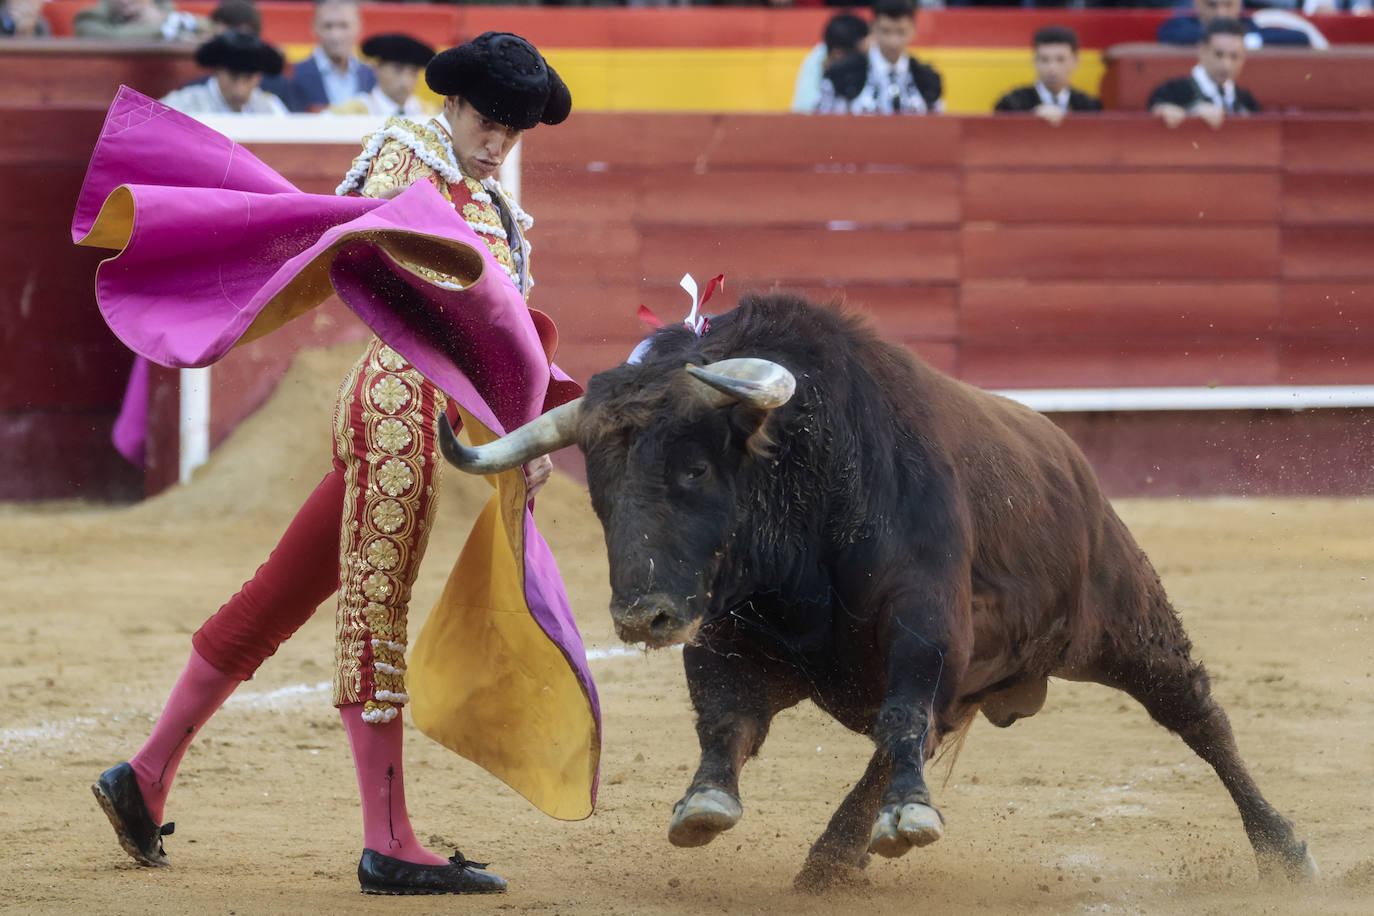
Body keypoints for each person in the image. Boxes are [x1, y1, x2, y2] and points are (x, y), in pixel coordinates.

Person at [90, 31, 592, 896]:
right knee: (377, 608)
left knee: (274, 596)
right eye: (490, 119)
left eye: (516, 129)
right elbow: (413, 286)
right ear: (456, 102)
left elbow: (495, 339)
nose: (501, 140)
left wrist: (521, 429)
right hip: (396, 411)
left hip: (419, 414)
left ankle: (142, 774)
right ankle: (388, 838)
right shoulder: (408, 156)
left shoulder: (492, 201)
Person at [818, 0, 943, 116]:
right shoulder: (842, 75)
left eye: (901, 32)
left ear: (913, 30)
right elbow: (827, 126)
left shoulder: (928, 79)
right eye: (886, 31)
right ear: (874, 28)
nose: (893, 42)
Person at [1149, 18, 1262, 129]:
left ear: (1243, 58)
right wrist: (1186, 112)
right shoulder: (1171, 91)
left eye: (1234, 56)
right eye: (1218, 54)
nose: (1226, 65)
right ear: (1202, 51)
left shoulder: (1246, 100)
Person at [994, 25, 1101, 126]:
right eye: (1044, 60)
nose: (1052, 68)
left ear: (1075, 61)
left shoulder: (1089, 106)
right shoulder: (1011, 103)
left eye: (1060, 59)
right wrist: (1029, 118)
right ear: (1035, 61)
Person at [160, 31, 289, 115]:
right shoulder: (181, 104)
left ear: (259, 77)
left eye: (248, 78)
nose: (240, 90)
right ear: (217, 72)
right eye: (233, 77)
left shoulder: (269, 107)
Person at [288, 0, 376, 112]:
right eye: (328, 26)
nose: (335, 35)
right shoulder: (294, 75)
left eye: (344, 26)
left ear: (358, 27)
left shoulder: (373, 77)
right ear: (314, 27)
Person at [327, 33, 437, 119]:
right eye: (397, 69)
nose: (405, 81)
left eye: (413, 72)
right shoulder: (350, 113)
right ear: (377, 68)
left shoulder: (430, 114)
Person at [790, 11, 869, 114]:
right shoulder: (816, 62)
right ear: (838, 54)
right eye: (860, 53)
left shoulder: (871, 56)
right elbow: (803, 111)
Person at [1158, 0, 1320, 48]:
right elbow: (1167, 33)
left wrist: (1248, 41)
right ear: (1197, 4)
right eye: (1212, 5)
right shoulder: (1181, 26)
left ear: (1239, 4)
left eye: (1228, 5)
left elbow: (1301, 38)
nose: (1221, 13)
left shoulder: (1248, 26)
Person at [72, 0, 203, 40]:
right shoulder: (88, 17)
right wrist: (166, 27)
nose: (125, 1)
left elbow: (213, 25)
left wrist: (172, 19)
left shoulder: (162, 10)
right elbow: (113, 38)